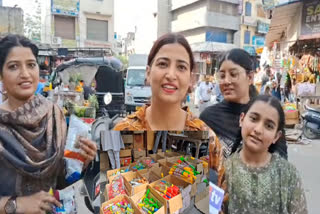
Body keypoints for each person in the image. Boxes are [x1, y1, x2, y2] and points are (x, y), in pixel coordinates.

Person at [0, 34, 97, 214]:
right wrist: (15, 204)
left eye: (31, 64)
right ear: (1, 76)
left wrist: (81, 161)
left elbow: (61, 181)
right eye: (14, 66)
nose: (25, 74)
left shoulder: (54, 114)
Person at [223, 95, 307, 213]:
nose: (258, 129)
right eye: (254, 119)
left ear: (276, 136)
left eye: (269, 126)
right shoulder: (224, 171)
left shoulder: (288, 174)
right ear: (242, 119)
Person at [200, 48, 287, 159]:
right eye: (222, 76)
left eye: (233, 74)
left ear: (250, 77)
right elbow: (198, 166)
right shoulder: (208, 118)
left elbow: (281, 164)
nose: (226, 81)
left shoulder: (269, 115)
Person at [114, 33, 209, 131]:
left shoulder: (205, 138)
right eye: (163, 64)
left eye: (181, 67)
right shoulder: (123, 131)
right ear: (148, 73)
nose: (171, 75)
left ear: (190, 78)